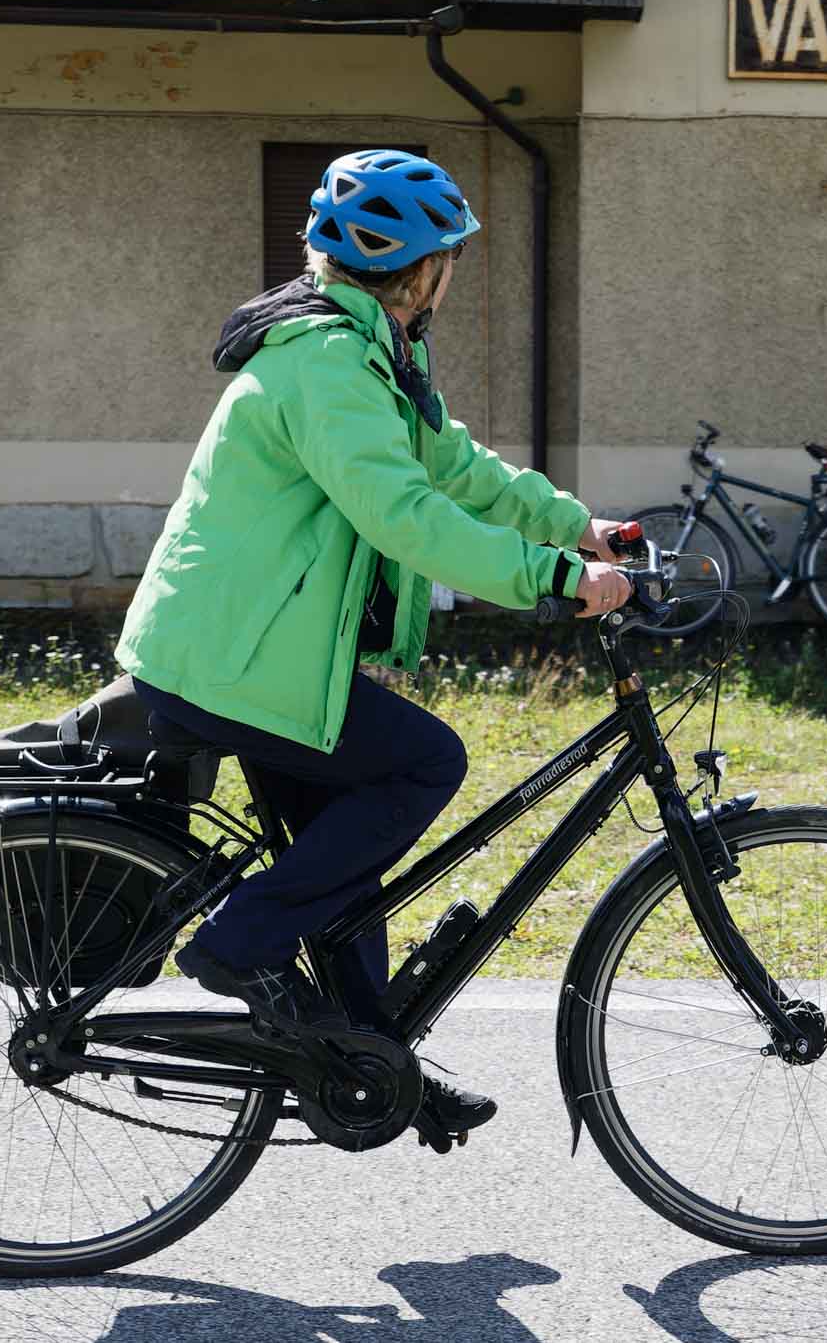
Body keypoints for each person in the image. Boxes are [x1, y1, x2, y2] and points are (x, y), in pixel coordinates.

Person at [115, 148, 632, 1145]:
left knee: (346, 856)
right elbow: (403, 514)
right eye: (448, 261)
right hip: (230, 663)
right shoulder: (324, 364)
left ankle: (368, 1049)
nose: (450, 278)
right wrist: (552, 581)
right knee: (423, 763)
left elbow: (450, 463)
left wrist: (574, 527)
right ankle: (237, 945)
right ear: (421, 269)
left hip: (252, 653)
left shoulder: (362, 351)